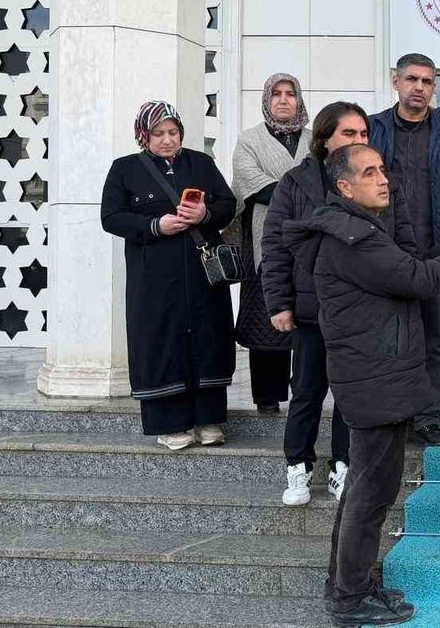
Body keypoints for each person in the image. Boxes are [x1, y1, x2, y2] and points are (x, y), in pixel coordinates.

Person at [282, 143, 440, 627]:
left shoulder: (358, 230)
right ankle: (350, 597)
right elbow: (419, 280)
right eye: (369, 173)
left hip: (377, 376)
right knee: (371, 494)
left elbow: (407, 270)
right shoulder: (354, 238)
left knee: (363, 488)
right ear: (344, 187)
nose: (383, 179)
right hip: (374, 379)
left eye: (382, 169)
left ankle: (347, 583)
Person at [262, 102, 382, 506]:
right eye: (349, 133)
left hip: (358, 308)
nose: (358, 140)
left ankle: (342, 466)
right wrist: (279, 303)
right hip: (311, 309)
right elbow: (275, 244)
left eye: (363, 134)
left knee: (350, 394)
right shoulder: (296, 182)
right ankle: (298, 467)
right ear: (324, 138)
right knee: (307, 391)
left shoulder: (373, 178)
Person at [101, 101, 236, 450]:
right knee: (162, 342)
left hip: (203, 274)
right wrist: (155, 225)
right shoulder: (125, 169)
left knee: (208, 338)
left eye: (173, 132)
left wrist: (204, 214)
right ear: (143, 136)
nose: (167, 140)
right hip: (154, 280)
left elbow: (228, 204)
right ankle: (170, 425)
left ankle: (208, 419)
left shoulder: (201, 163)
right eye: (158, 133)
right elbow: (111, 217)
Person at [368, 52, 440, 447]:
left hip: (438, 253)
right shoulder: (374, 129)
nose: (419, 87)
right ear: (395, 81)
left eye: (427, 82)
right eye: (412, 79)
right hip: (384, 254)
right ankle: (389, 414)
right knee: (386, 339)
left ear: (435, 88)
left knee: (435, 339)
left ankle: (428, 418)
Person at [231, 73, 311, 415]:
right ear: (267, 99)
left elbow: (328, 178)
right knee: (265, 320)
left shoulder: (315, 139)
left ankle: (306, 391)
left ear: (299, 99)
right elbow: (253, 185)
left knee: (308, 317)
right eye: (276, 94)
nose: (283, 100)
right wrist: (301, 194)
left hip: (310, 241)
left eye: (290, 94)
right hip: (264, 241)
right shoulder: (249, 140)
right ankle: (268, 397)